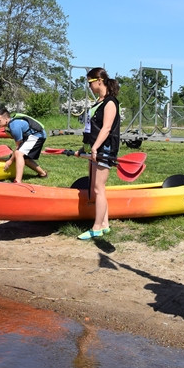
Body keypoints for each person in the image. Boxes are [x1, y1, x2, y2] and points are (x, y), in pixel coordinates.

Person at [78, 68, 120, 240]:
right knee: (98, 188)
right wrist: (85, 147)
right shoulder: (99, 102)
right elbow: (92, 127)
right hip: (95, 147)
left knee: (98, 188)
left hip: (105, 148)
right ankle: (105, 225)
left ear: (99, 81)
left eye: (89, 82)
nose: (89, 86)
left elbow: (107, 128)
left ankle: (96, 228)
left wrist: (95, 148)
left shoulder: (110, 102)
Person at [0, 107, 48, 182]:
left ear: (6, 119)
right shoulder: (12, 124)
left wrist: (10, 161)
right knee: (25, 158)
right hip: (35, 135)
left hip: (37, 135)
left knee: (18, 154)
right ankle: (43, 174)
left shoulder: (14, 127)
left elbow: (18, 146)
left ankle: (18, 181)